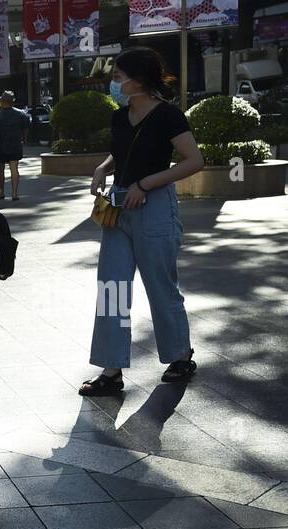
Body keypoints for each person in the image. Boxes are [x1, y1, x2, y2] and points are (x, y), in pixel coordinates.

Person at [80, 48, 204, 397]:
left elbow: (194, 160)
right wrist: (104, 168)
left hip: (155, 207)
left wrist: (146, 184)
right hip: (119, 206)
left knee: (160, 285)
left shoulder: (168, 116)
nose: (113, 84)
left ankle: (180, 356)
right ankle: (111, 368)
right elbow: (121, 152)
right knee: (112, 288)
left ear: (140, 80)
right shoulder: (120, 117)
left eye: (118, 78)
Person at [0, 92, 29, 201]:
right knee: (14, 169)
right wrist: (24, 139)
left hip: (0, 145)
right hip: (15, 144)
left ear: (2, 101)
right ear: (13, 101)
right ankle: (14, 193)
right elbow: (25, 128)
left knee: (0, 170)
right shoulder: (21, 114)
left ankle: (1, 191)